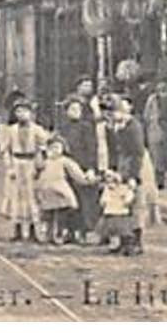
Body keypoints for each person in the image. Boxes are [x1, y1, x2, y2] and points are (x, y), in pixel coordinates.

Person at [0, 98, 48, 242]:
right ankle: (17, 229)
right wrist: (9, 167)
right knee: (16, 196)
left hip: (31, 164)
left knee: (32, 196)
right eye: (18, 111)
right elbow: (5, 150)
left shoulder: (37, 130)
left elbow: (43, 147)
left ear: (31, 113)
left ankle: (33, 230)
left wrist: (40, 165)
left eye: (24, 111)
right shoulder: (11, 130)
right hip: (17, 163)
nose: (21, 114)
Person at [104, 96, 148, 255]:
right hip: (121, 164)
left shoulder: (133, 127)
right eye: (109, 113)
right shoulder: (114, 127)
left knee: (135, 203)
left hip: (134, 164)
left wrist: (133, 177)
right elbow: (112, 150)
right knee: (120, 203)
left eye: (114, 112)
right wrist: (112, 169)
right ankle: (124, 239)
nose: (112, 116)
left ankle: (136, 241)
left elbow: (138, 153)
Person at [56, 97, 102, 241]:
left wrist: (90, 168)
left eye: (78, 109)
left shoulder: (86, 127)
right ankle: (69, 231)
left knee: (83, 201)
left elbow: (92, 149)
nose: (76, 112)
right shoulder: (63, 128)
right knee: (67, 201)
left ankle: (82, 232)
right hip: (65, 167)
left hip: (82, 166)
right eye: (72, 109)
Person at [34, 135, 91, 244]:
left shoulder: (65, 161)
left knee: (62, 213)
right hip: (46, 190)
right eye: (52, 148)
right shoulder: (45, 162)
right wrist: (40, 153)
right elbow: (37, 169)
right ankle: (47, 234)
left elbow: (76, 174)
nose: (54, 151)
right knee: (47, 215)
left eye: (57, 148)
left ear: (63, 149)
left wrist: (86, 179)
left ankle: (59, 234)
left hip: (60, 190)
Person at [97, 170, 137, 254]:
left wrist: (126, 201)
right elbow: (104, 200)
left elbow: (128, 198)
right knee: (114, 231)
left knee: (121, 231)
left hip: (119, 212)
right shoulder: (108, 189)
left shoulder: (124, 189)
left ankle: (126, 246)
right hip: (114, 212)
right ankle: (116, 245)